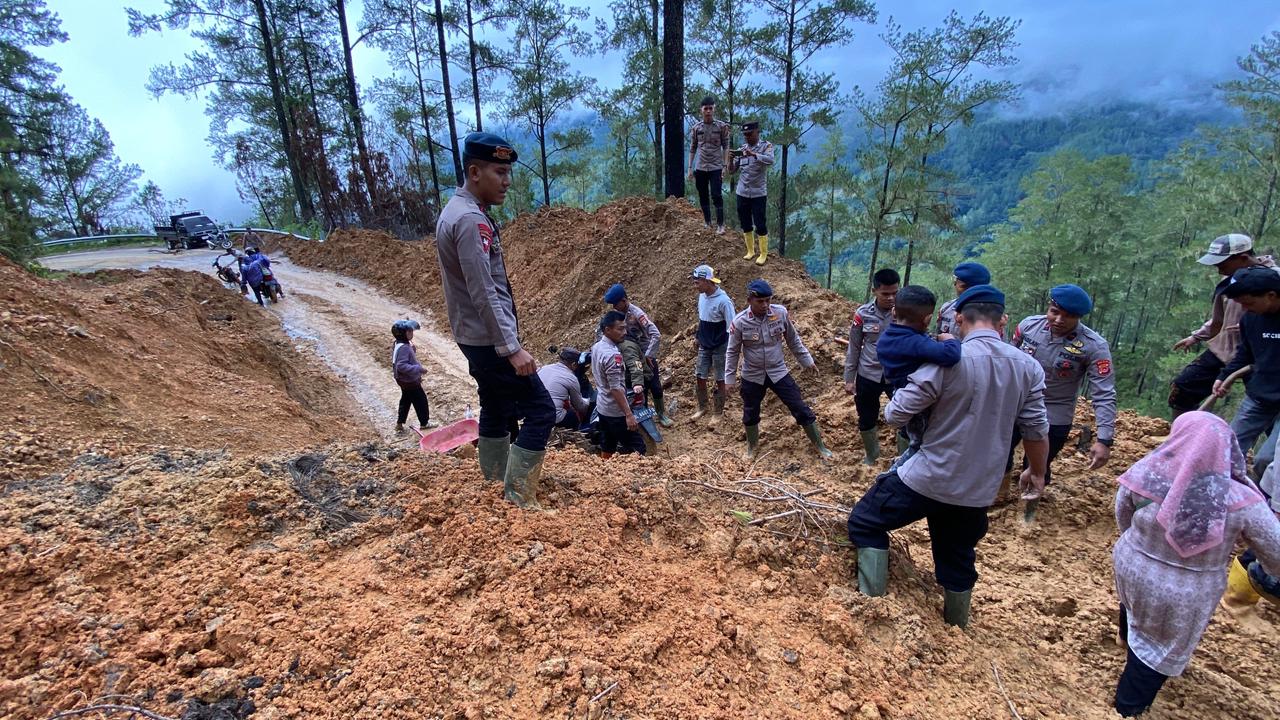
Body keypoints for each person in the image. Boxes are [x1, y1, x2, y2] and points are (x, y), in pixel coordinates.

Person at [847, 285, 1050, 627]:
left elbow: (896, 414)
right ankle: (956, 627)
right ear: (1002, 320)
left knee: (866, 522)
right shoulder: (1028, 367)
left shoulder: (948, 360)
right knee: (957, 559)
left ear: (958, 318)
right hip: (977, 488)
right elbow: (1036, 429)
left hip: (928, 476)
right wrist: (1038, 472)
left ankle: (872, 608)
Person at [1110, 411, 1280, 718]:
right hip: (1186, 590)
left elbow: (1122, 513)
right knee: (1158, 648)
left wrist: (1137, 546)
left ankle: (1125, 637)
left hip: (1132, 564)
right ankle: (1128, 707)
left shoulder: (1147, 471)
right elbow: (1276, 553)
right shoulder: (1240, 499)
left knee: (1134, 605)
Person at [436, 131, 555, 510]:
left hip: (472, 335)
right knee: (541, 409)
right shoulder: (471, 220)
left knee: (495, 403)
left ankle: (493, 481)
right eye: (499, 172)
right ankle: (518, 496)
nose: (507, 181)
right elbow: (483, 290)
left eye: (508, 173)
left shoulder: (454, 210)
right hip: (490, 340)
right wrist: (511, 347)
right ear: (475, 172)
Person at [1008, 284, 1116, 496]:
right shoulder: (1029, 326)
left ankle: (1029, 507)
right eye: (1054, 312)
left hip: (1054, 410)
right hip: (1016, 402)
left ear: (1079, 317)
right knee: (998, 453)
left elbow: (1104, 393)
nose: (1058, 320)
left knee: (1038, 465)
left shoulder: (1093, 345)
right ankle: (996, 496)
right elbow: (1007, 361)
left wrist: (1104, 439)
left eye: (1068, 316)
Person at [1169, 233, 1278, 418]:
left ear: (1243, 258)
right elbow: (1218, 319)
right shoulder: (1228, 282)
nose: (1220, 271)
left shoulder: (1275, 278)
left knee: (1266, 404)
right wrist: (1197, 336)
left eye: (1223, 265)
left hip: (1261, 353)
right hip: (1224, 348)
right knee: (1183, 387)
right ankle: (1184, 432)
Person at [724, 279, 833, 460]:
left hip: (778, 371)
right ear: (749, 300)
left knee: (799, 406)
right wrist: (729, 379)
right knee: (750, 412)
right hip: (752, 375)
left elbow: (793, 339)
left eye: (768, 300)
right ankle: (752, 448)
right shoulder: (740, 322)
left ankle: (819, 446)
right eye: (760, 301)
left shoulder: (780, 313)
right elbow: (732, 351)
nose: (765, 305)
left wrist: (807, 360)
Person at [875, 285, 961, 470]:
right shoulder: (916, 343)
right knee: (921, 445)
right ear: (928, 319)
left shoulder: (886, 338)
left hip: (900, 393)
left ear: (894, 312)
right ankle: (898, 472)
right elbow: (951, 355)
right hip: (919, 405)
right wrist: (950, 340)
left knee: (914, 439)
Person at [1211, 265, 1280, 479]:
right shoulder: (1250, 318)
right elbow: (1245, 354)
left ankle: (1263, 498)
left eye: (1249, 303)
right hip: (1260, 397)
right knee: (1226, 451)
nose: (1244, 308)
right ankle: (1224, 493)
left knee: (1267, 461)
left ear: (1271, 295)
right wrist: (1224, 376)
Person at [844, 268, 901, 465]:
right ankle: (872, 456)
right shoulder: (863, 314)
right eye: (885, 294)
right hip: (868, 374)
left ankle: (904, 458)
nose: (891, 298)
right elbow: (854, 346)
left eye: (895, 293)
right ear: (874, 291)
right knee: (867, 416)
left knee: (906, 415)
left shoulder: (905, 312)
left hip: (897, 374)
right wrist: (849, 378)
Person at [602, 283, 672, 426]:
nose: (614, 307)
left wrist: (649, 355)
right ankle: (644, 416)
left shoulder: (637, 314)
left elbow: (655, 334)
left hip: (645, 356)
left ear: (623, 300)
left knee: (655, 385)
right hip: (628, 356)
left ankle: (661, 413)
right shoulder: (618, 316)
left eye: (616, 304)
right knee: (638, 388)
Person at [592, 311, 647, 456]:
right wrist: (628, 415)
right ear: (607, 330)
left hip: (602, 407)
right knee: (638, 448)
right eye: (620, 329)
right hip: (616, 412)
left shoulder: (597, 347)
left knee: (608, 446)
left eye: (625, 328)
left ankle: (605, 468)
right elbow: (615, 388)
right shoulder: (612, 355)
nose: (625, 332)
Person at [691, 264, 736, 421]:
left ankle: (718, 411)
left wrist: (732, 348)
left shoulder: (724, 301)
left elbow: (732, 326)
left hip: (720, 345)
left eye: (697, 282)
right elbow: (702, 319)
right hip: (705, 344)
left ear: (707, 281)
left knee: (720, 378)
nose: (695, 286)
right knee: (700, 375)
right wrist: (698, 336)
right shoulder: (702, 296)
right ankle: (702, 406)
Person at [730, 121, 775, 266]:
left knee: (760, 223)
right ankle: (750, 251)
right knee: (745, 222)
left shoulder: (766, 146)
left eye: (750, 134)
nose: (747, 137)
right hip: (742, 191)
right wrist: (730, 159)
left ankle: (763, 253)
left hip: (758, 193)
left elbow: (770, 160)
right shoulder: (742, 149)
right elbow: (732, 170)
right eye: (745, 135)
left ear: (757, 132)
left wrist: (754, 154)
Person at [687, 96, 730, 234]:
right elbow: (692, 148)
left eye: (710, 108)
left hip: (716, 166)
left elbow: (726, 146)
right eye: (706, 108)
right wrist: (690, 168)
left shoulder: (721, 127)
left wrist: (725, 166)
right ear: (701, 110)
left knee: (717, 195)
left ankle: (721, 225)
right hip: (701, 167)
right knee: (703, 194)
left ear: (714, 109)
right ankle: (707, 222)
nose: (708, 111)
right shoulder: (696, 128)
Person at [391, 319, 430, 435]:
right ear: (402, 334)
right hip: (409, 380)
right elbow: (401, 366)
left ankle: (399, 423)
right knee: (421, 401)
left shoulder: (398, 344)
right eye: (409, 331)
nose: (412, 333)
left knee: (406, 399)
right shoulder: (404, 347)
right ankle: (424, 423)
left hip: (402, 380)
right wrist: (418, 369)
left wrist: (411, 349)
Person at [537, 346, 591, 430]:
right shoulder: (571, 377)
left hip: (535, 414)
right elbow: (580, 407)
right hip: (553, 419)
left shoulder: (544, 368)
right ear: (574, 364)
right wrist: (589, 402)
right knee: (573, 415)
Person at [935, 262, 990, 335]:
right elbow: (938, 335)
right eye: (963, 287)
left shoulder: (992, 313)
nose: (968, 292)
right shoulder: (946, 308)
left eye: (973, 289)